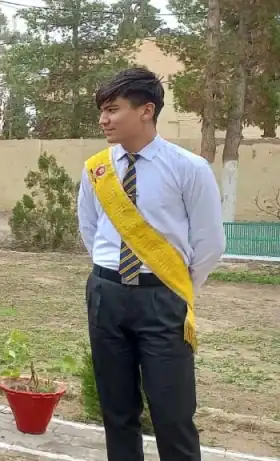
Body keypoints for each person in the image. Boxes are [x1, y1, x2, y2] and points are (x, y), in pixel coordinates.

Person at [77, 67, 225, 461]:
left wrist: (174, 286)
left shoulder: (189, 168)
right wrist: (112, 275)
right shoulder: (96, 169)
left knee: (172, 414)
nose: (103, 119)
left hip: (163, 299)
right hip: (106, 296)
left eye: (112, 109)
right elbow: (90, 231)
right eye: (101, 111)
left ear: (146, 110)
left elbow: (209, 243)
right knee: (117, 412)